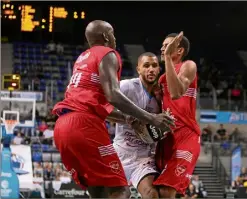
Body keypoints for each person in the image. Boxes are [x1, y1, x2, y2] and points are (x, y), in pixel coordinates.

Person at [52, 20, 174, 198]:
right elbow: (113, 96)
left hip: (63, 127)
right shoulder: (108, 53)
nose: (115, 38)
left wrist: (128, 119)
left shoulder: (83, 57)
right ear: (105, 36)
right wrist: (151, 118)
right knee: (120, 191)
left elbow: (100, 105)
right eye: (112, 33)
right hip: (85, 126)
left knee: (98, 190)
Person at [153, 32, 201, 198]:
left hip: (187, 136)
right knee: (156, 192)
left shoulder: (188, 66)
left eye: (166, 46)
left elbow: (175, 93)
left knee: (167, 190)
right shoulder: (161, 79)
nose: (162, 48)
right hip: (167, 137)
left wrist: (167, 57)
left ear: (179, 50)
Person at [113, 52, 161, 198]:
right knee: (120, 195)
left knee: (151, 193)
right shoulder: (127, 86)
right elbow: (100, 107)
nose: (151, 69)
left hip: (143, 158)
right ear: (138, 69)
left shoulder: (160, 97)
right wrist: (128, 119)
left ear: (159, 69)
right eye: (146, 66)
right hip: (121, 153)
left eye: (154, 66)